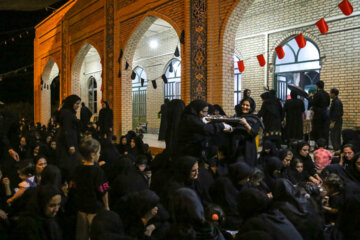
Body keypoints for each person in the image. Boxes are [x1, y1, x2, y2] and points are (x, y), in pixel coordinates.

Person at [69, 138, 110, 240]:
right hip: (94, 208)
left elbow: (73, 186)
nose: (99, 154)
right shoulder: (98, 171)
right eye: (98, 152)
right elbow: (103, 190)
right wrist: (107, 206)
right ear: (92, 155)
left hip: (80, 207)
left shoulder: (77, 169)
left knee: (81, 234)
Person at [56, 94, 82, 181]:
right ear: (71, 103)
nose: (78, 106)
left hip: (67, 141)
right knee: (70, 165)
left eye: (79, 104)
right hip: (68, 143)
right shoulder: (67, 113)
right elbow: (67, 129)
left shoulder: (67, 112)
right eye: (76, 104)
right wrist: (70, 145)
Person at [233, 98, 263, 166]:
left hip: (248, 148)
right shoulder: (237, 117)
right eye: (243, 104)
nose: (245, 107)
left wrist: (245, 124)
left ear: (251, 107)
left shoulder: (255, 119)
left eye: (247, 105)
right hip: (236, 147)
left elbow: (253, 133)